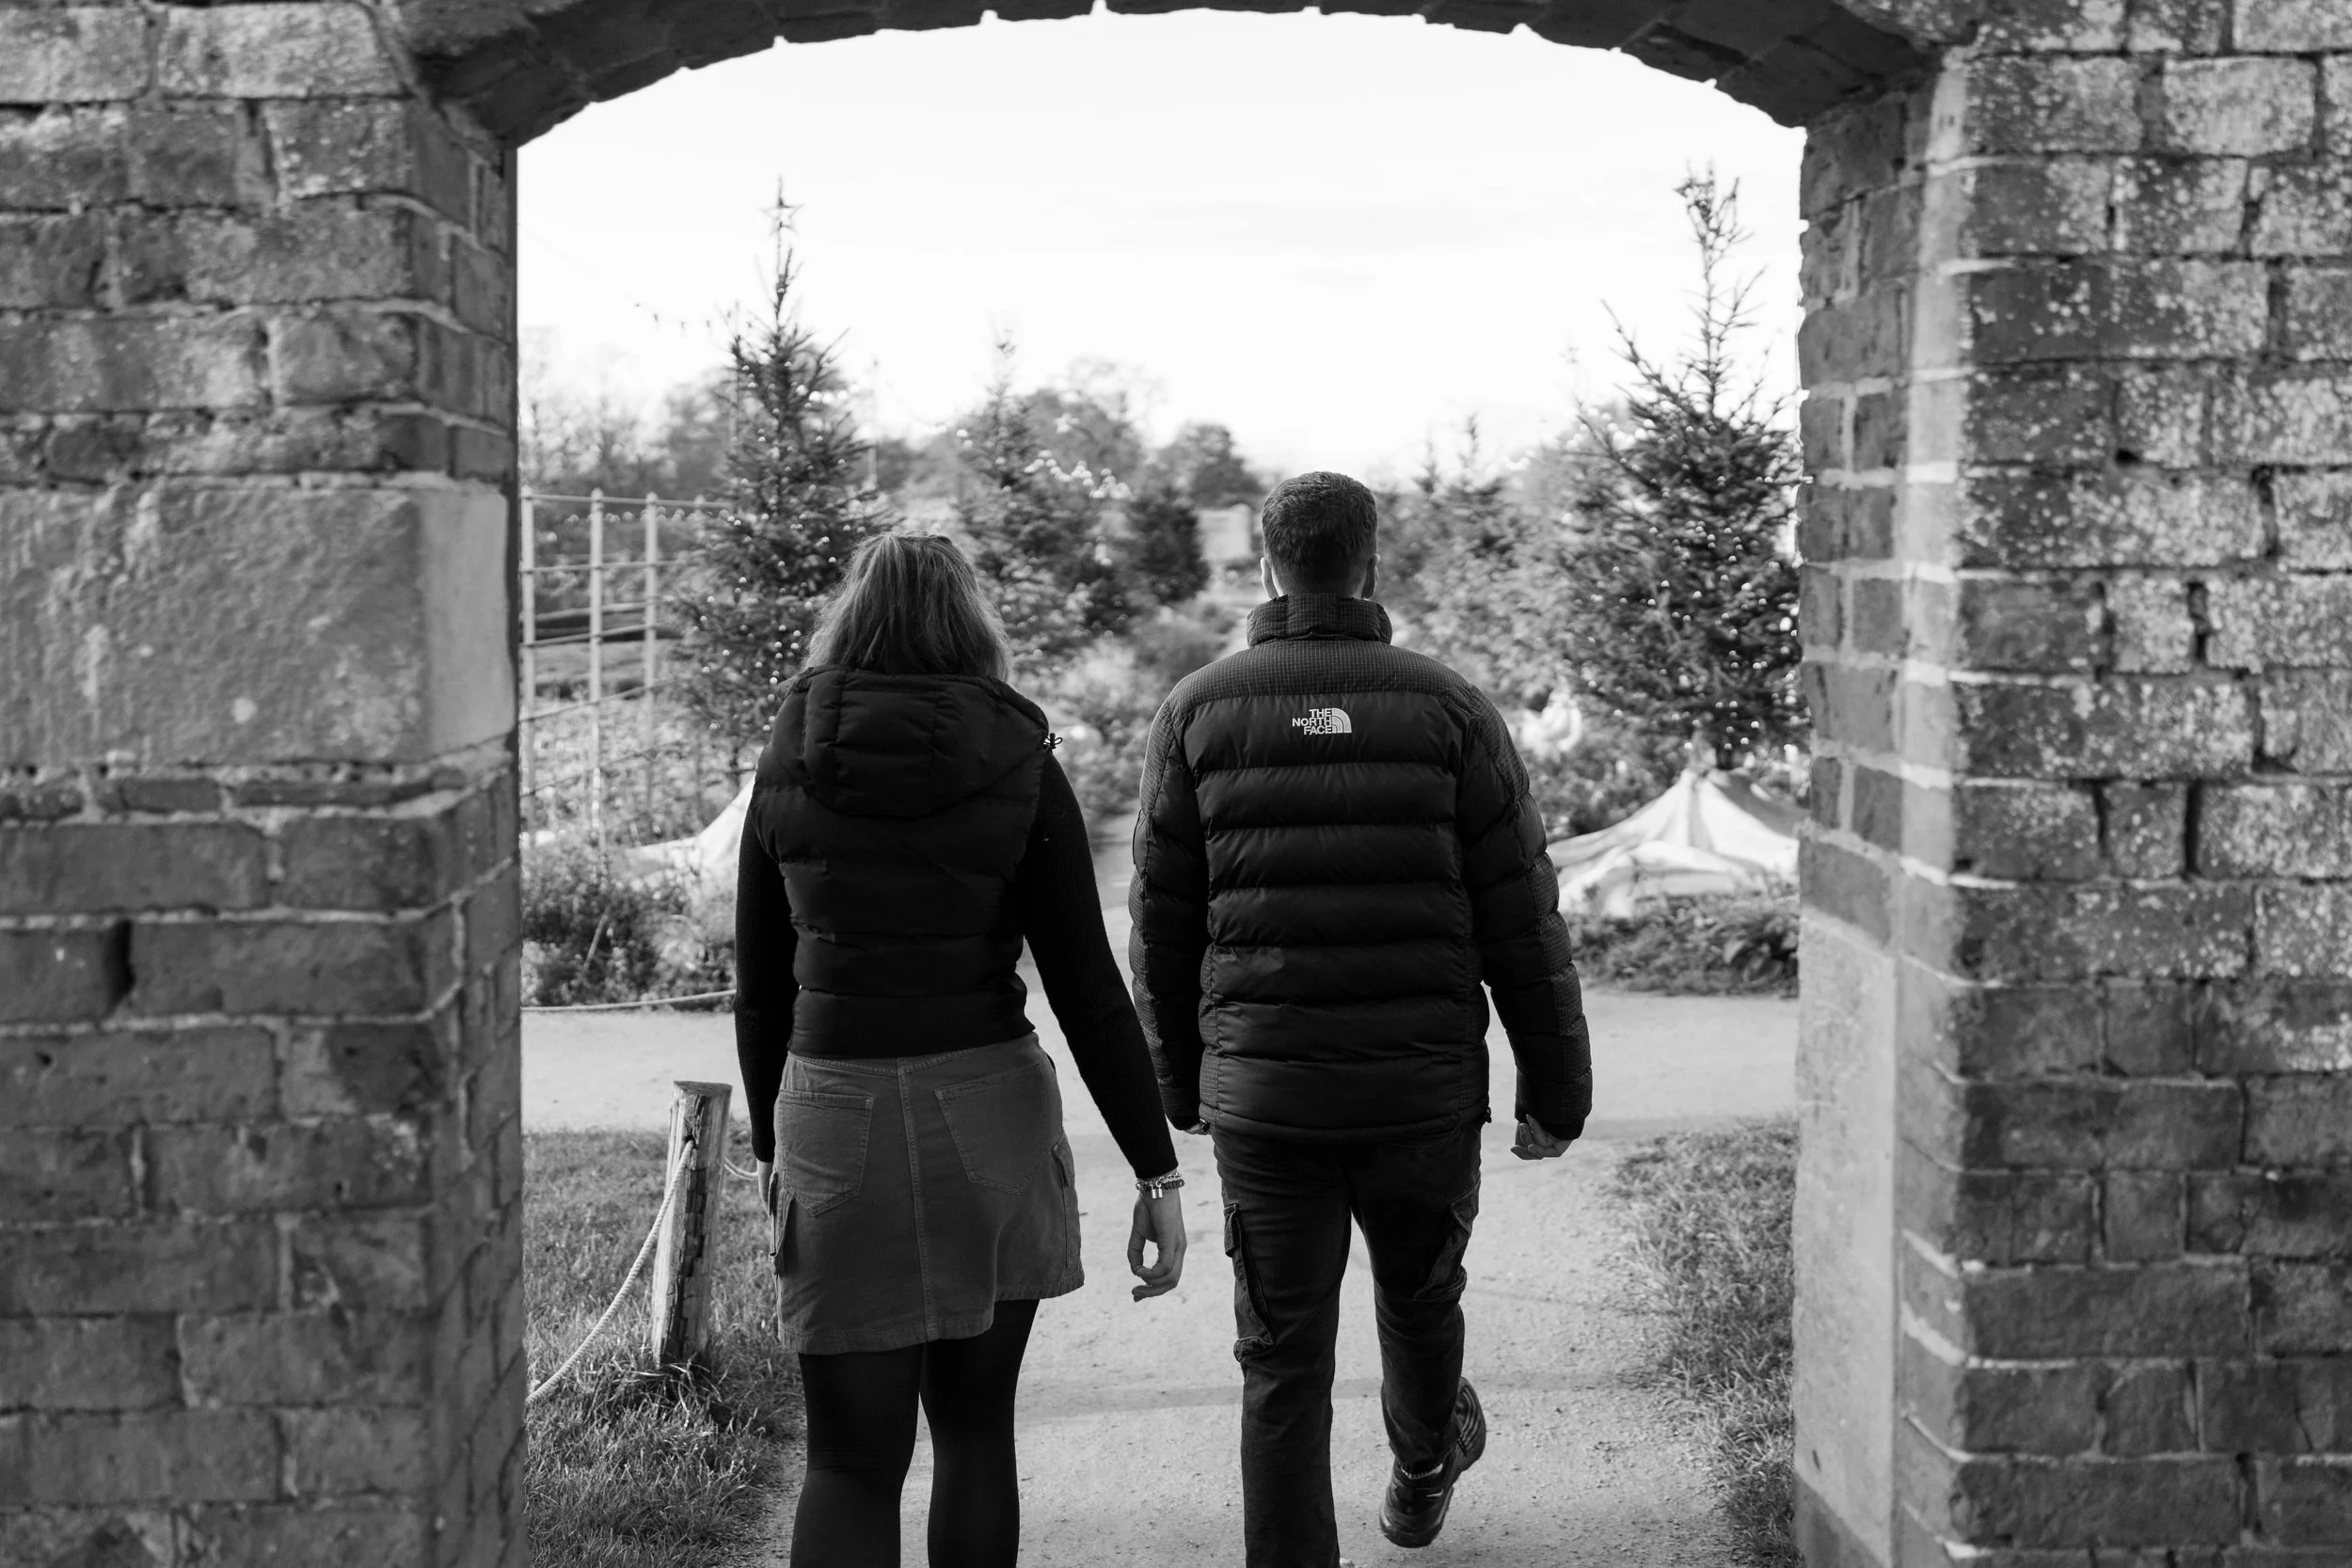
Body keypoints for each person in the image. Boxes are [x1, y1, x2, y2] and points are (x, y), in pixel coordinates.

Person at [1128, 470, 1591, 1565]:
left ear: (1267, 566)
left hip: (1268, 1099)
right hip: (1419, 1093)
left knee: (1281, 1358)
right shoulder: (1447, 707)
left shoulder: (1196, 709)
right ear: (1370, 564)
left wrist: (1178, 1086)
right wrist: (1555, 1091)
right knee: (1422, 1299)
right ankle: (1424, 1464)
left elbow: (1161, 925)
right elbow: (1521, 913)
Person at [736, 531, 1189, 1568]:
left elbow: (761, 988)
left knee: (849, 1458)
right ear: (971, 622)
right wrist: (1154, 1166)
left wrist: (771, 1146)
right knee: (977, 1433)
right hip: (988, 1102)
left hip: (831, 1105)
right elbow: (1086, 989)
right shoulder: (1019, 761)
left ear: (850, 617)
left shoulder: (785, 755)